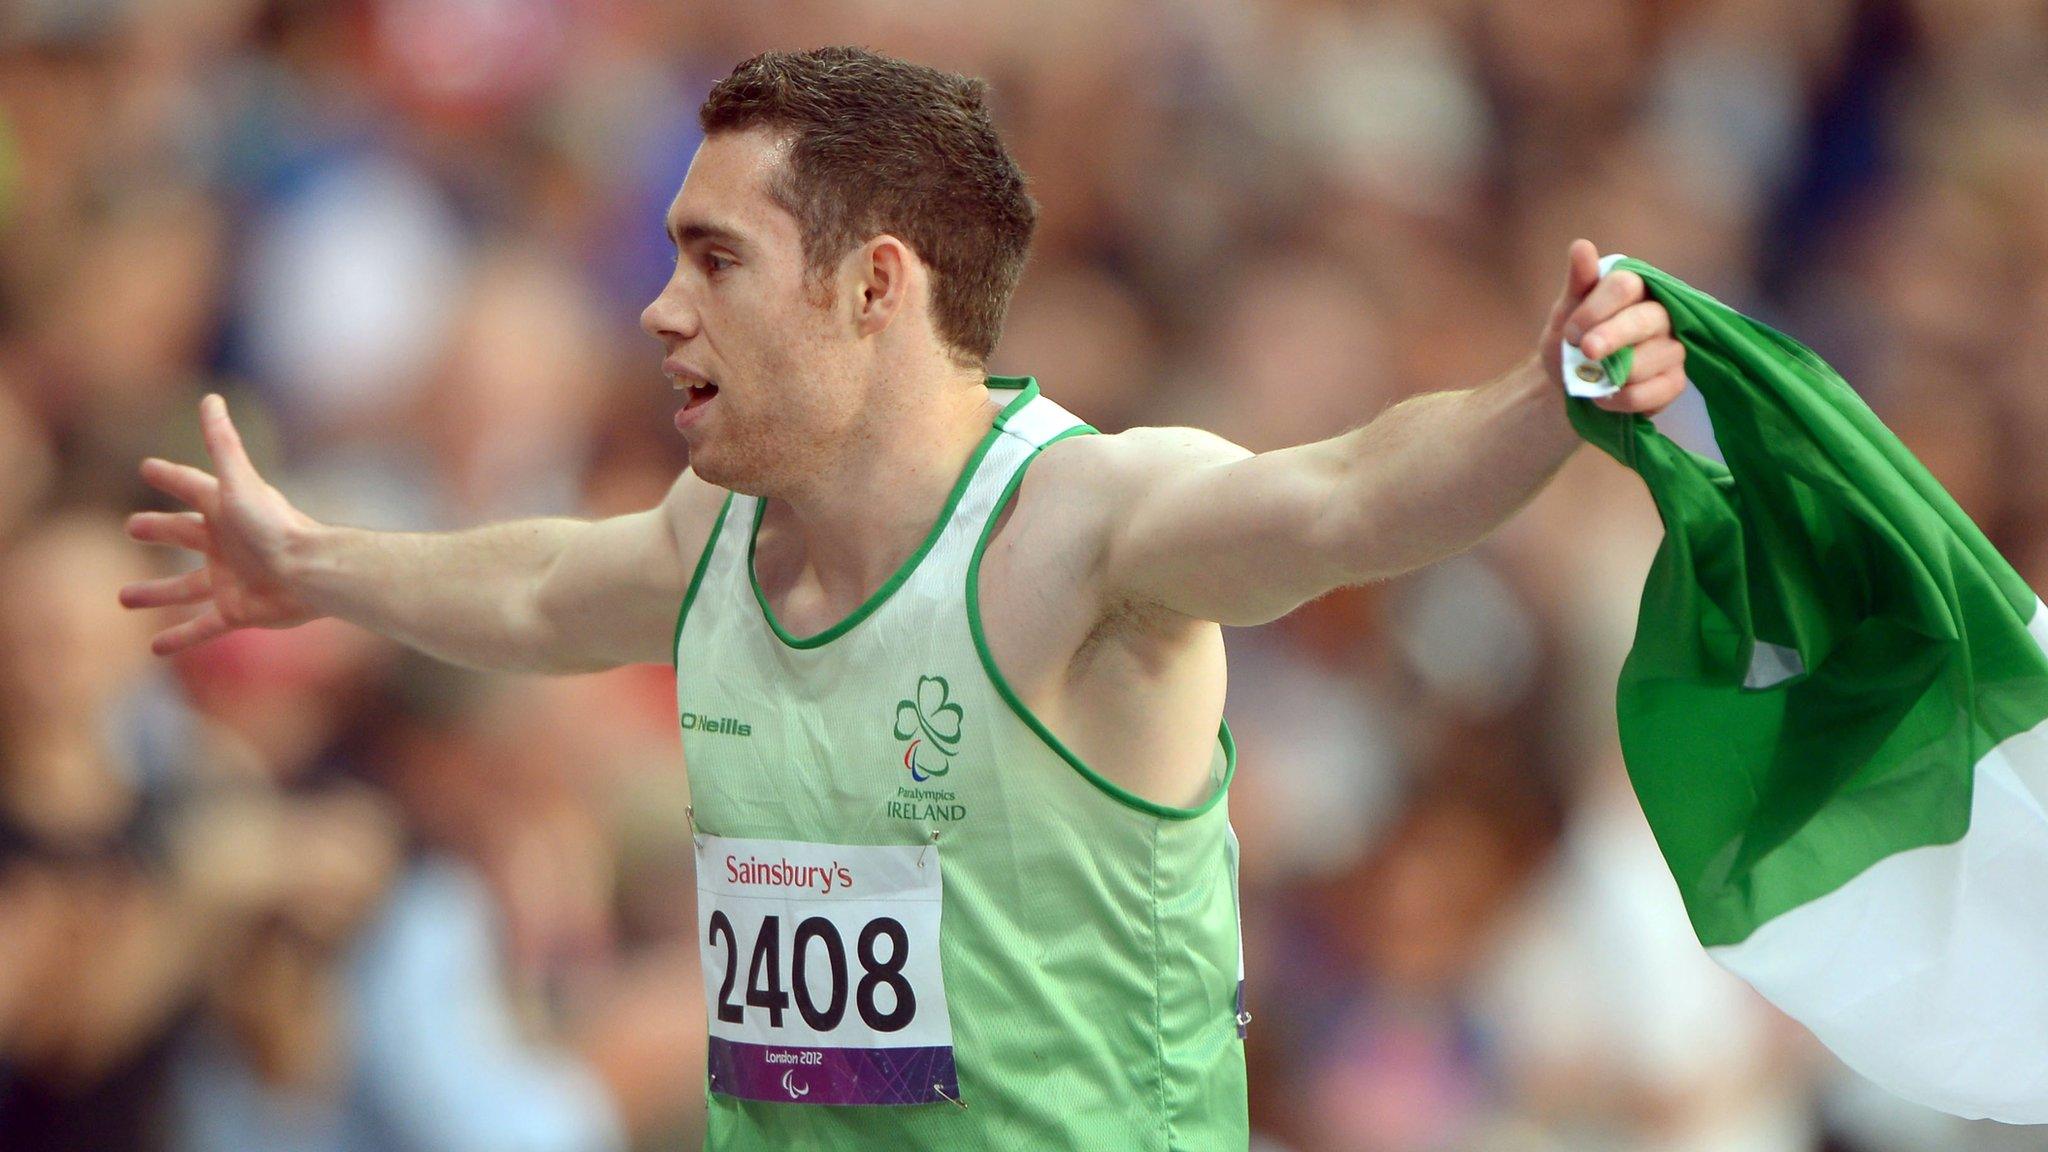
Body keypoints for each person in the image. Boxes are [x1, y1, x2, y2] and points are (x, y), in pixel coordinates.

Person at [119, 45, 1686, 1151]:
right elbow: (540, 583)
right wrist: (309, 565)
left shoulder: (1080, 526)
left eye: (713, 259)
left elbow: (1345, 496)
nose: (659, 308)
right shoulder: (714, 532)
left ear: (874, 288)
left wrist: (1539, 399)